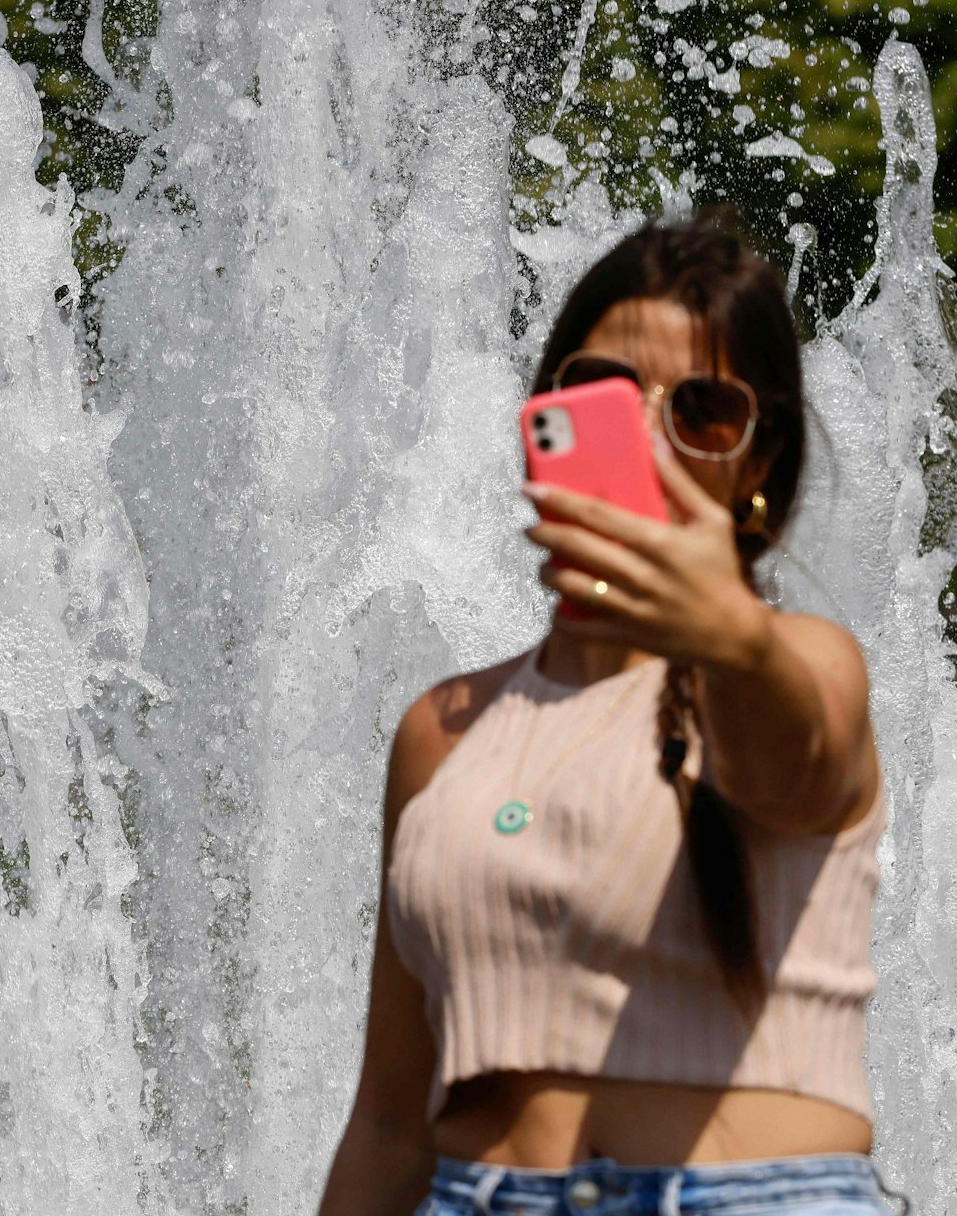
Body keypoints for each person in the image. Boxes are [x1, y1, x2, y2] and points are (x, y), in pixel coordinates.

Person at [317, 215, 908, 1215]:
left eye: (702, 411)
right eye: (600, 392)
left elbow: (784, 767)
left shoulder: (798, 664)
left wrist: (723, 629)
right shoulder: (442, 730)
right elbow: (386, 1116)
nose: (643, 433)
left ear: (757, 462)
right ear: (546, 410)